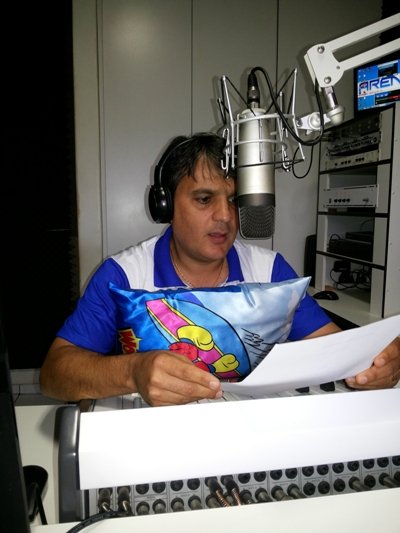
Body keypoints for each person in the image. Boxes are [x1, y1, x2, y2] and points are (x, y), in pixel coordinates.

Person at [39, 133, 400, 406]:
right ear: (166, 206)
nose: (225, 216)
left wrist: (378, 362)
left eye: (233, 200)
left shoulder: (270, 271)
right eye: (204, 199)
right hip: (154, 444)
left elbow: (336, 349)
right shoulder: (122, 274)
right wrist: (133, 371)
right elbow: (55, 374)